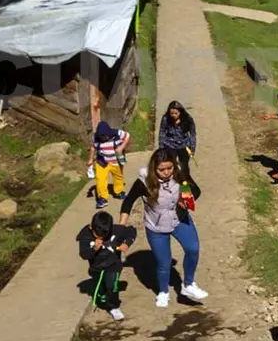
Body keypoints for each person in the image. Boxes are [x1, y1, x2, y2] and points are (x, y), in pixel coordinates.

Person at [119, 149, 208, 308]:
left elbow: (196, 190)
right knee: (164, 263)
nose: (166, 172)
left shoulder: (179, 173)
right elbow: (128, 202)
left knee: (193, 249)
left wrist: (186, 198)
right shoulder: (144, 182)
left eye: (170, 168)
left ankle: (188, 285)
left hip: (179, 219)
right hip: (156, 226)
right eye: (162, 169)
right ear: (154, 168)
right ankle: (163, 292)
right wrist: (120, 227)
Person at [76, 211, 136, 321]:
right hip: (96, 267)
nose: (101, 238)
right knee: (102, 290)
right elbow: (84, 255)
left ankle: (114, 307)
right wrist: (94, 249)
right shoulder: (85, 236)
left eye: (104, 236)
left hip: (113, 264)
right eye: (97, 236)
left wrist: (127, 243)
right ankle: (102, 296)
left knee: (112, 285)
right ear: (91, 227)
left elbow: (131, 231)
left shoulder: (116, 230)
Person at [87, 122, 130, 209]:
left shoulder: (117, 133)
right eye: (101, 136)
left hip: (116, 160)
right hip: (102, 161)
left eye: (104, 136)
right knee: (100, 179)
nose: (103, 138)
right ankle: (102, 198)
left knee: (118, 177)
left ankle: (119, 191)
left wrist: (122, 147)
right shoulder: (95, 137)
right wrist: (91, 159)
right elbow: (93, 147)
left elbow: (127, 136)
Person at [158, 100, 197, 172]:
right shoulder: (165, 119)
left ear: (180, 112)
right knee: (172, 165)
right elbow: (162, 132)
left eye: (176, 113)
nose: (173, 115)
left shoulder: (188, 119)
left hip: (184, 145)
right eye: (171, 113)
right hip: (170, 145)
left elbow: (193, 133)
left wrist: (192, 147)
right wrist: (161, 148)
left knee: (184, 166)